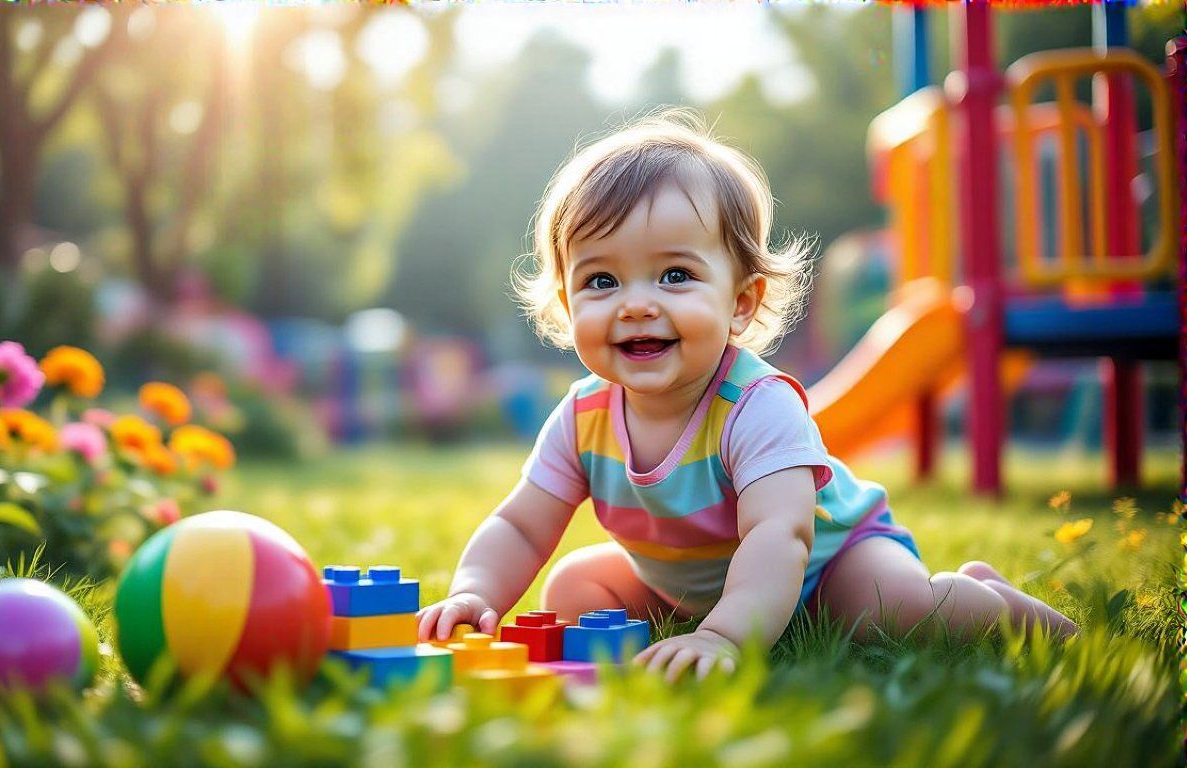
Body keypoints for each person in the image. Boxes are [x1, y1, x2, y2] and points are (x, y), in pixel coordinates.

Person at [416, 109, 1076, 682]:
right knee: (573, 591)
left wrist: (727, 635)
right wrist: (475, 592)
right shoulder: (583, 418)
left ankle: (1002, 607)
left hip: (827, 567)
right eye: (601, 281)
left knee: (887, 608)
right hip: (687, 586)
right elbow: (520, 524)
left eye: (675, 274)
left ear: (740, 303)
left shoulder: (756, 404)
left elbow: (779, 532)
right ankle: (688, 642)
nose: (636, 305)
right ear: (566, 303)